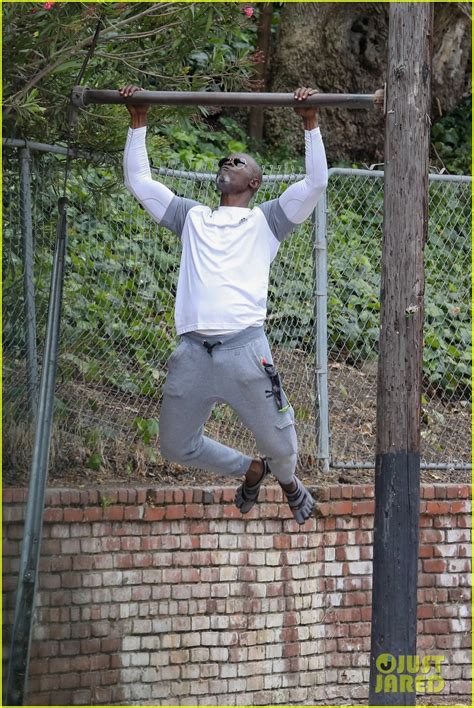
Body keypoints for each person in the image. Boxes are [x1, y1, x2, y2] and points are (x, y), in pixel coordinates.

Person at [121, 84, 328, 525]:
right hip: (192, 354)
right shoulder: (192, 217)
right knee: (175, 445)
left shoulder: (267, 221)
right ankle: (251, 470)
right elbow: (140, 182)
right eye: (224, 160)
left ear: (254, 182)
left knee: (283, 447)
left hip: (244, 353)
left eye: (239, 161)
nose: (227, 162)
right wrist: (138, 122)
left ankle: (289, 482)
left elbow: (316, 183)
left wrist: (310, 124)